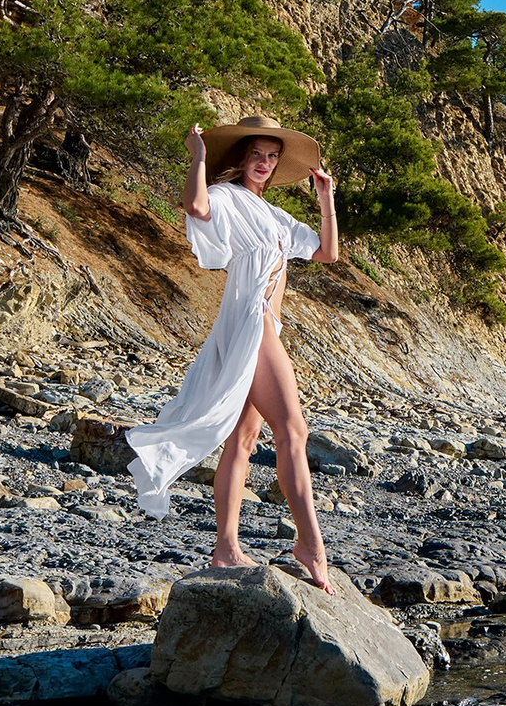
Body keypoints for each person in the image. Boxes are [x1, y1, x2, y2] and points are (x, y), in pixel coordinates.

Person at [124, 114, 343, 592]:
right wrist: (198, 158)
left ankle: (225, 548)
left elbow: (327, 253)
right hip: (251, 320)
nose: (264, 163)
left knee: (243, 440)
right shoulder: (226, 198)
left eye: (271, 156)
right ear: (241, 158)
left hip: (264, 325)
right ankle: (311, 544)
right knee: (293, 431)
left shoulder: (276, 217)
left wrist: (326, 200)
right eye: (256, 155)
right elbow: (196, 205)